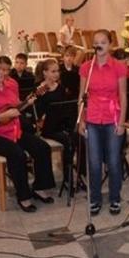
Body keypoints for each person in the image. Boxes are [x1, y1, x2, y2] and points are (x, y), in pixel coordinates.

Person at [0, 58, 55, 212]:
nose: (0, 72)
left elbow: (16, 107)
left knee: (42, 147)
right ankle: (23, 197)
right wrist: (2, 116)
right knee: (17, 154)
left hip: (13, 131)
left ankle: (39, 187)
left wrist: (27, 103)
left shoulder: (10, 86)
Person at [78, 30, 128, 216]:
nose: (99, 45)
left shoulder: (118, 67)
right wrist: (81, 120)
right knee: (94, 163)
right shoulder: (86, 67)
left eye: (103, 42)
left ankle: (115, 198)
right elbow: (81, 96)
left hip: (112, 117)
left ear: (110, 45)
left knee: (114, 162)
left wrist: (122, 122)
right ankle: (95, 199)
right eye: (96, 42)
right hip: (92, 117)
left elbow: (123, 95)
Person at [34, 58, 77, 191]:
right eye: (53, 71)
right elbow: (38, 113)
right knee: (68, 140)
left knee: (78, 137)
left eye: (57, 71)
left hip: (62, 124)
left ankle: (78, 174)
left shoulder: (61, 88)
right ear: (45, 73)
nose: (56, 74)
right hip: (49, 128)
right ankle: (68, 178)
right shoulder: (40, 89)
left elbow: (67, 107)